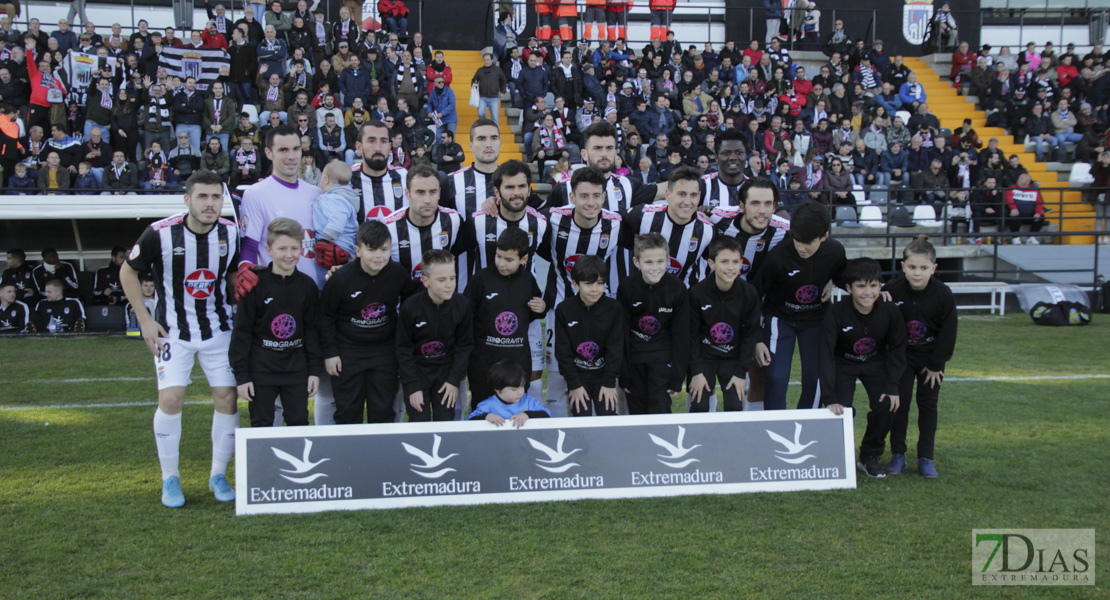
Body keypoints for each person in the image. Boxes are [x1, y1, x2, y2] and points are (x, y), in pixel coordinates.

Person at [118, 170, 240, 508]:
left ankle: (218, 474)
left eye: (216, 197)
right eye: (202, 196)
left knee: (227, 399)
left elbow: (231, 278)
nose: (210, 203)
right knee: (171, 400)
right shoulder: (159, 233)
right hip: (173, 331)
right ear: (187, 199)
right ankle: (170, 479)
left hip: (218, 330)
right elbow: (128, 271)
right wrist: (143, 319)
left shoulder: (232, 233)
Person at [538, 166, 624, 417]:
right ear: (572, 197)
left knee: (600, 366)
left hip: (600, 308)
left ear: (604, 197)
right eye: (584, 196)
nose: (591, 202)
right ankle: (559, 434)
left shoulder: (616, 222)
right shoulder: (552, 218)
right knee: (556, 377)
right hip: (560, 308)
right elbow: (521, 213)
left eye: (596, 196)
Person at [750, 201, 846, 411]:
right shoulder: (778, 256)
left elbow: (848, 278)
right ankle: (775, 428)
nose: (801, 247)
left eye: (808, 242)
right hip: (779, 319)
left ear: (824, 237)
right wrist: (757, 338)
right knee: (776, 377)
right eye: (797, 240)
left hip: (815, 320)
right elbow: (754, 295)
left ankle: (807, 425)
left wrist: (831, 280)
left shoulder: (835, 252)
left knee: (816, 379)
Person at [230, 218, 322, 428]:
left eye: (294, 248)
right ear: (269, 250)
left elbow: (312, 332)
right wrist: (242, 376)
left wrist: (314, 370)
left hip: (296, 369)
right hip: (261, 369)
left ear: (302, 249)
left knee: (298, 421)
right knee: (262, 422)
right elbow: (242, 332)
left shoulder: (307, 286)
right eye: (282, 248)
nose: (289, 255)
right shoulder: (254, 284)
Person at [821, 257, 906, 478]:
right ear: (849, 288)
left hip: (875, 362)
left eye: (874, 285)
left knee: (888, 404)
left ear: (880, 286)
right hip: (844, 363)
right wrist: (829, 396)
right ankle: (838, 456)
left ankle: (869, 456)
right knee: (840, 410)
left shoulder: (890, 311)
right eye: (861, 286)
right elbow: (826, 354)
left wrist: (892, 385)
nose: (868, 292)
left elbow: (897, 349)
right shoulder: (836, 312)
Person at [883, 236, 957, 478]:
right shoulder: (891, 290)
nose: (917, 273)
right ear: (903, 266)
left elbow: (949, 332)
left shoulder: (943, 294)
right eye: (912, 267)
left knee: (927, 406)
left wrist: (936, 364)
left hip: (930, 361)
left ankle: (926, 457)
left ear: (934, 268)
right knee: (899, 405)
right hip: (902, 358)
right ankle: (898, 454)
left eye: (924, 268)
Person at [462, 228, 545, 408]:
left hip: (517, 361)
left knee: (516, 411)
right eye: (498, 256)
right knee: (482, 410)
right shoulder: (481, 279)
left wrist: (541, 307)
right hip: (484, 362)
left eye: (509, 260)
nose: (501, 263)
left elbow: (534, 312)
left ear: (524, 259)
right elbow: (466, 316)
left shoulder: (528, 280)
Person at [686, 235, 762, 413]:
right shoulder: (697, 293)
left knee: (735, 406)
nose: (730, 267)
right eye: (724, 262)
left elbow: (751, 334)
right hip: (704, 358)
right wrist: (696, 372)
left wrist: (741, 372)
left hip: (732, 359)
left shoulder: (749, 293)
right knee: (699, 405)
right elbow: (691, 336)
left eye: (735, 262)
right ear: (712, 263)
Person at [615, 233, 689, 414]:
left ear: (668, 261)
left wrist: (677, 377)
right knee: (637, 412)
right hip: (635, 360)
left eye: (660, 261)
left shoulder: (677, 288)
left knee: (660, 410)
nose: (655, 268)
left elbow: (682, 335)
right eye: (648, 262)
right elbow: (621, 333)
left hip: (662, 361)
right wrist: (624, 375)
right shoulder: (626, 287)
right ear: (636, 262)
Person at [395, 249, 473, 421]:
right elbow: (403, 349)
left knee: (445, 421)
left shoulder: (462, 305)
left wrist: (454, 380)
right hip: (417, 371)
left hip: (446, 372)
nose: (449, 285)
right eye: (441, 280)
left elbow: (465, 345)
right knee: (419, 421)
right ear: (425, 281)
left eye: (452, 278)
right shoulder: (410, 307)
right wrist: (412, 385)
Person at [619, 165, 714, 288]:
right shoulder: (641, 216)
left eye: (693, 195)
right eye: (682, 194)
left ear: (699, 197)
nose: (687, 201)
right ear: (668, 195)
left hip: (683, 297)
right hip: (643, 295)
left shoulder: (708, 230)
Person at [554, 255, 624, 417]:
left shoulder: (614, 309)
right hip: (578, 378)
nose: (594, 289)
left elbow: (616, 348)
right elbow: (563, 352)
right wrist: (574, 385)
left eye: (599, 283)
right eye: (588, 284)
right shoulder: (564, 310)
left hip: (604, 377)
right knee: (581, 418)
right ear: (575, 284)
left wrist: (609, 383)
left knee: (607, 417)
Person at [381, 163, 463, 281]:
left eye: (433, 192)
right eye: (420, 192)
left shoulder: (453, 219)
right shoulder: (388, 227)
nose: (427, 200)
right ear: (408, 193)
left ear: (439, 192)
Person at [468, 359, 550, 427]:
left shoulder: (528, 401)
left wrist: (528, 414)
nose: (520, 392)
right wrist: (485, 416)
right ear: (498, 389)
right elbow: (469, 422)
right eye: (514, 390)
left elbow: (546, 415)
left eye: (522, 386)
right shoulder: (487, 405)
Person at [311, 160, 360, 271]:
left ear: (326, 179)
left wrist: (331, 232)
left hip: (335, 244)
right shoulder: (341, 196)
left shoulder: (335, 198)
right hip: (339, 245)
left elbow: (339, 217)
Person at [1004, 173, 1046, 245]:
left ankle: (1031, 237)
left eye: (1021, 178)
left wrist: (1038, 213)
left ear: (1027, 182)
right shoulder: (1012, 188)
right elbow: (1008, 198)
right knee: (1014, 216)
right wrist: (1013, 208)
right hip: (1017, 213)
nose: (1018, 179)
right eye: (1019, 178)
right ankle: (1015, 238)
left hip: (1029, 214)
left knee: (1041, 217)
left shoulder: (1034, 190)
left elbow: (1039, 203)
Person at [472, 53, 508, 125]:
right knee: (481, 113)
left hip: (494, 97)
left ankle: (495, 134)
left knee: (494, 118)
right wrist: (474, 84)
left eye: (488, 60)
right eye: (485, 60)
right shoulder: (480, 70)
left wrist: (503, 92)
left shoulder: (497, 70)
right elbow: (474, 79)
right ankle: (484, 126)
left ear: (492, 60)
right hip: (482, 96)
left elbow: (504, 80)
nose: (486, 61)